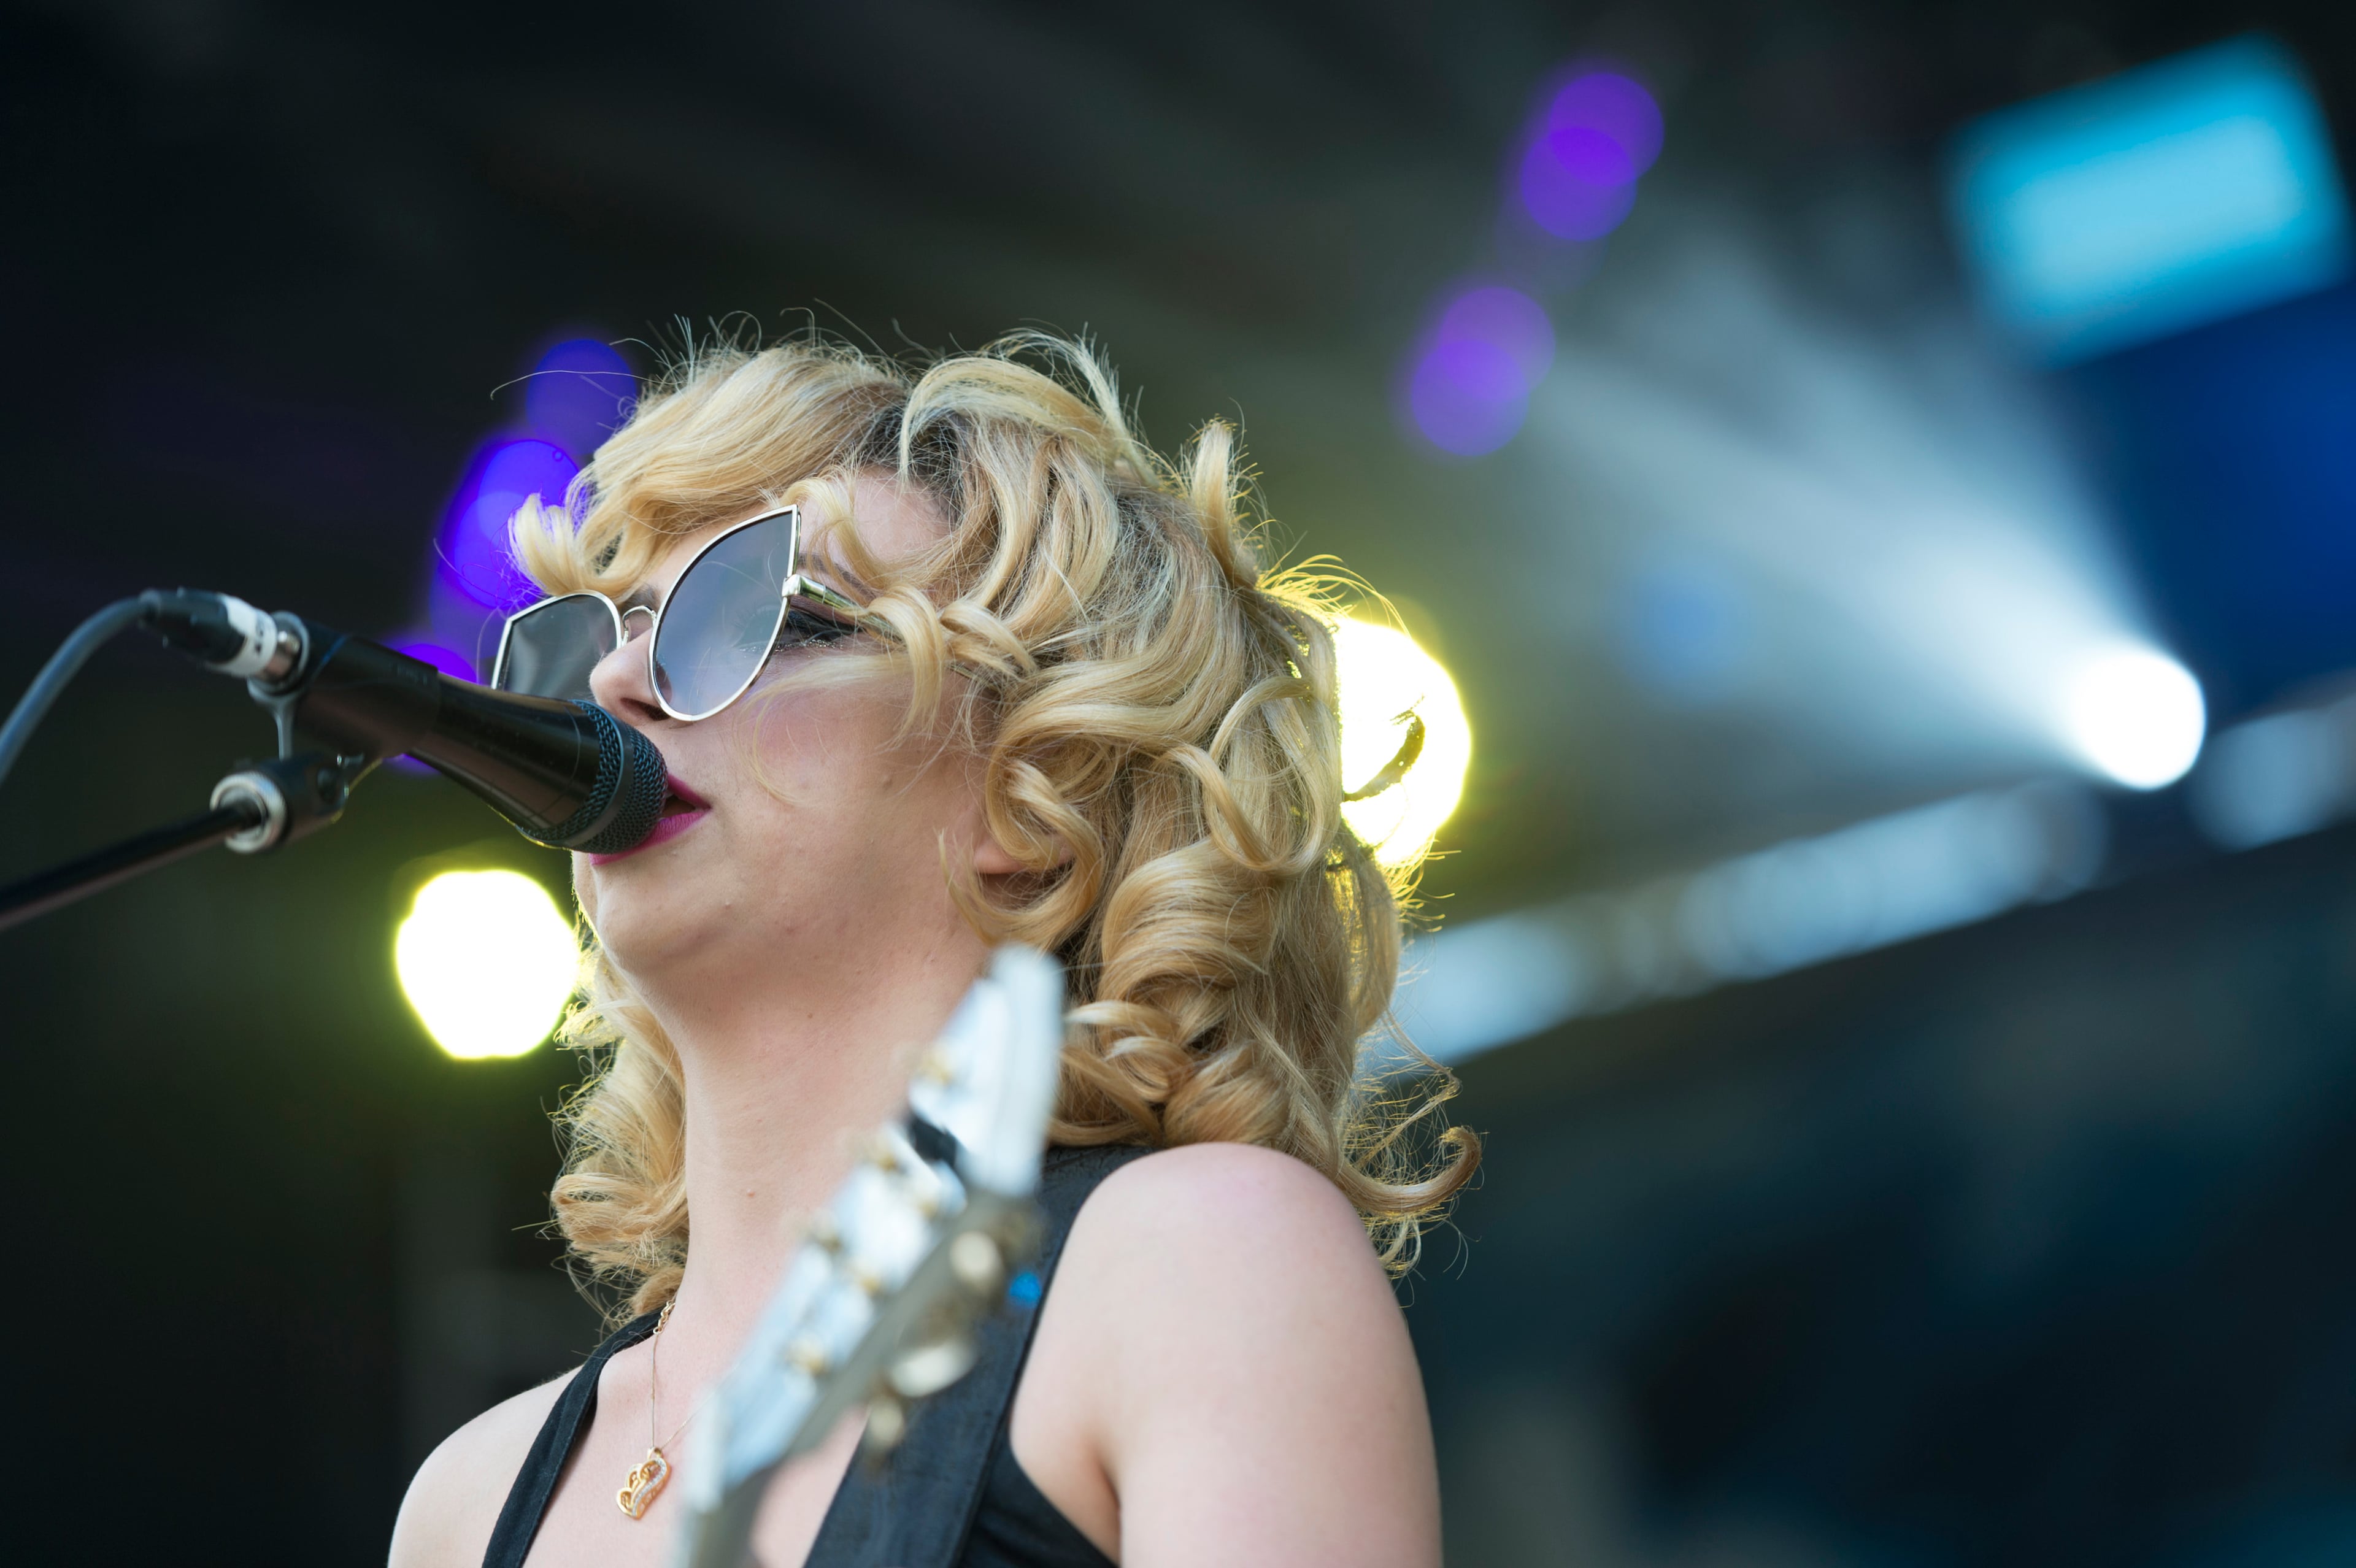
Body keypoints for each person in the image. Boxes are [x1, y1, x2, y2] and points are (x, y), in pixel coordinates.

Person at [387, 331, 1477, 1567]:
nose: (620, 681)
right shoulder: (464, 1505)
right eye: (607, 635)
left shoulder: (1198, 1262)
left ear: (1037, 787)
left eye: (760, 616)